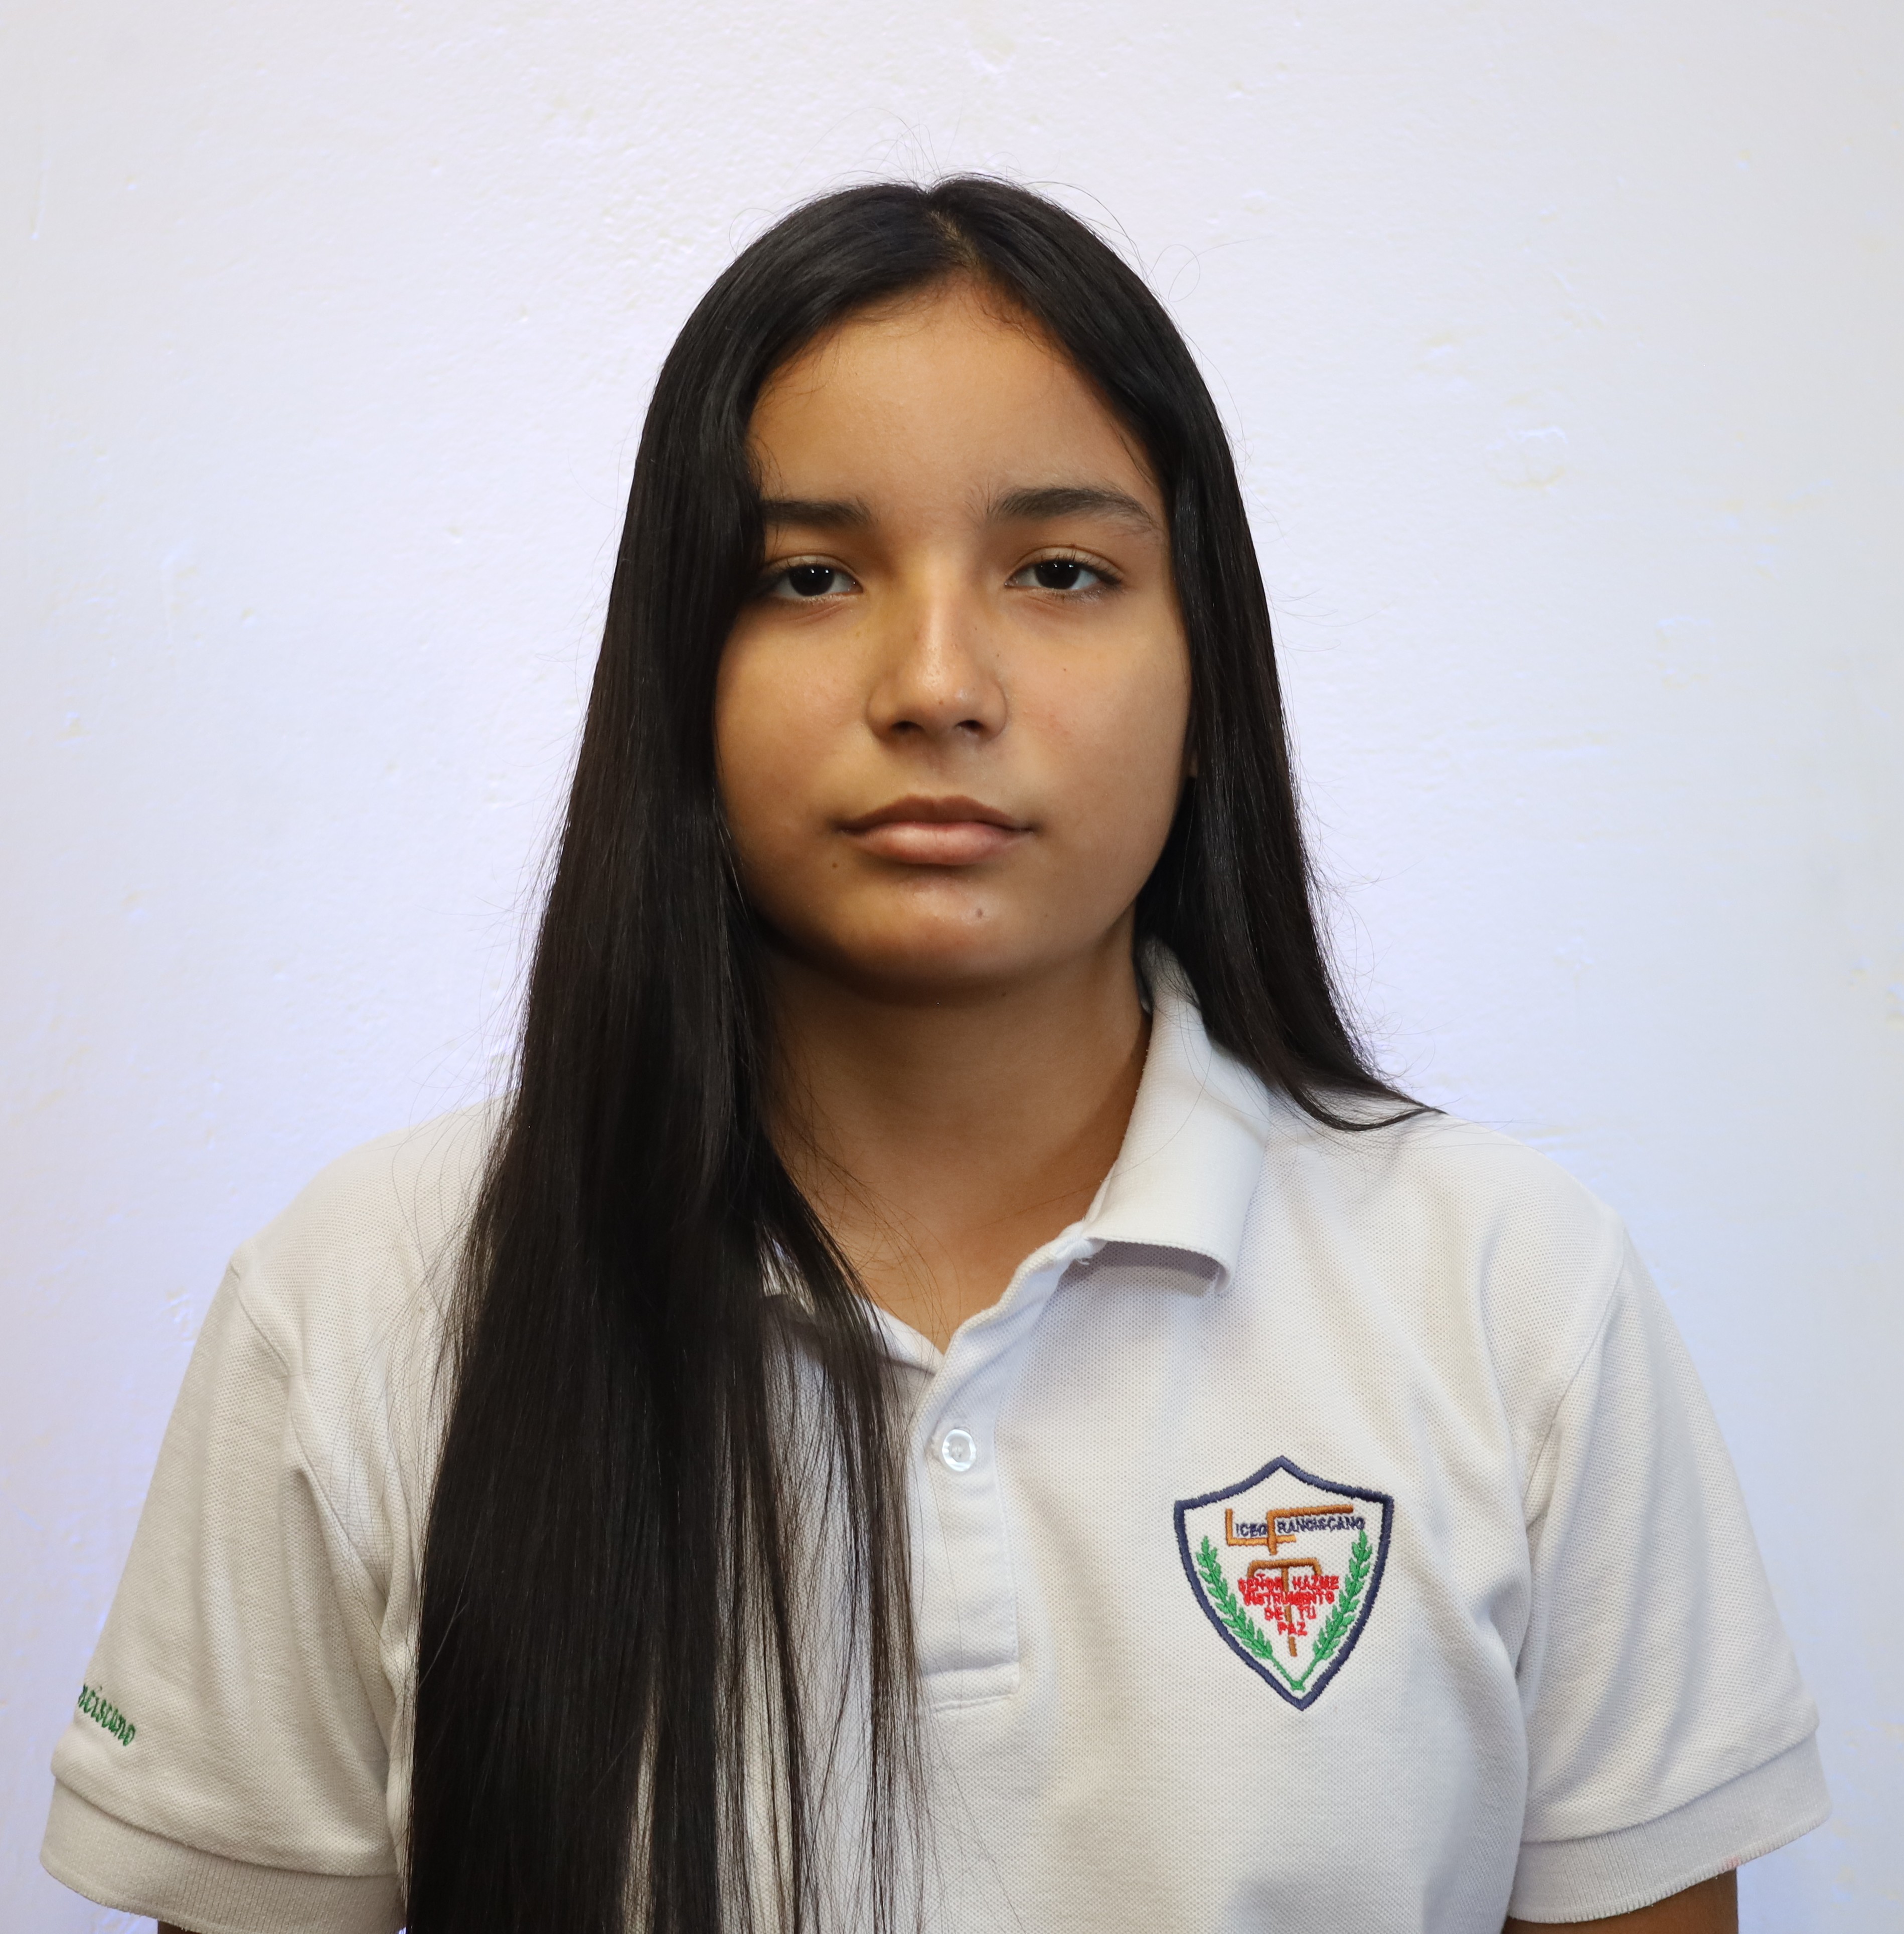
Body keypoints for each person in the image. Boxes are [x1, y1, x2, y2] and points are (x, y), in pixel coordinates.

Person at [42, 178, 1825, 1934]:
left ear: (1206, 681)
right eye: (809, 576)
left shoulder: (1507, 1292)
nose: (937, 683)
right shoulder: (364, 1301)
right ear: (678, 675)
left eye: (1061, 572)